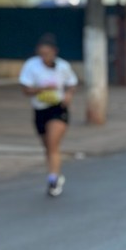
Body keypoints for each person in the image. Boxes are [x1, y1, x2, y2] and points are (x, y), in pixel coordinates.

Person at [19, 35, 78, 197]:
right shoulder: (31, 66)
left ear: (54, 52)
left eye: (48, 53)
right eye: (42, 54)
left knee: (53, 142)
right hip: (40, 109)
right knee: (47, 146)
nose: (45, 57)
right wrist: (41, 90)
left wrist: (68, 95)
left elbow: (72, 83)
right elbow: (25, 89)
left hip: (58, 108)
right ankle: (56, 174)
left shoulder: (63, 67)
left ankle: (52, 179)